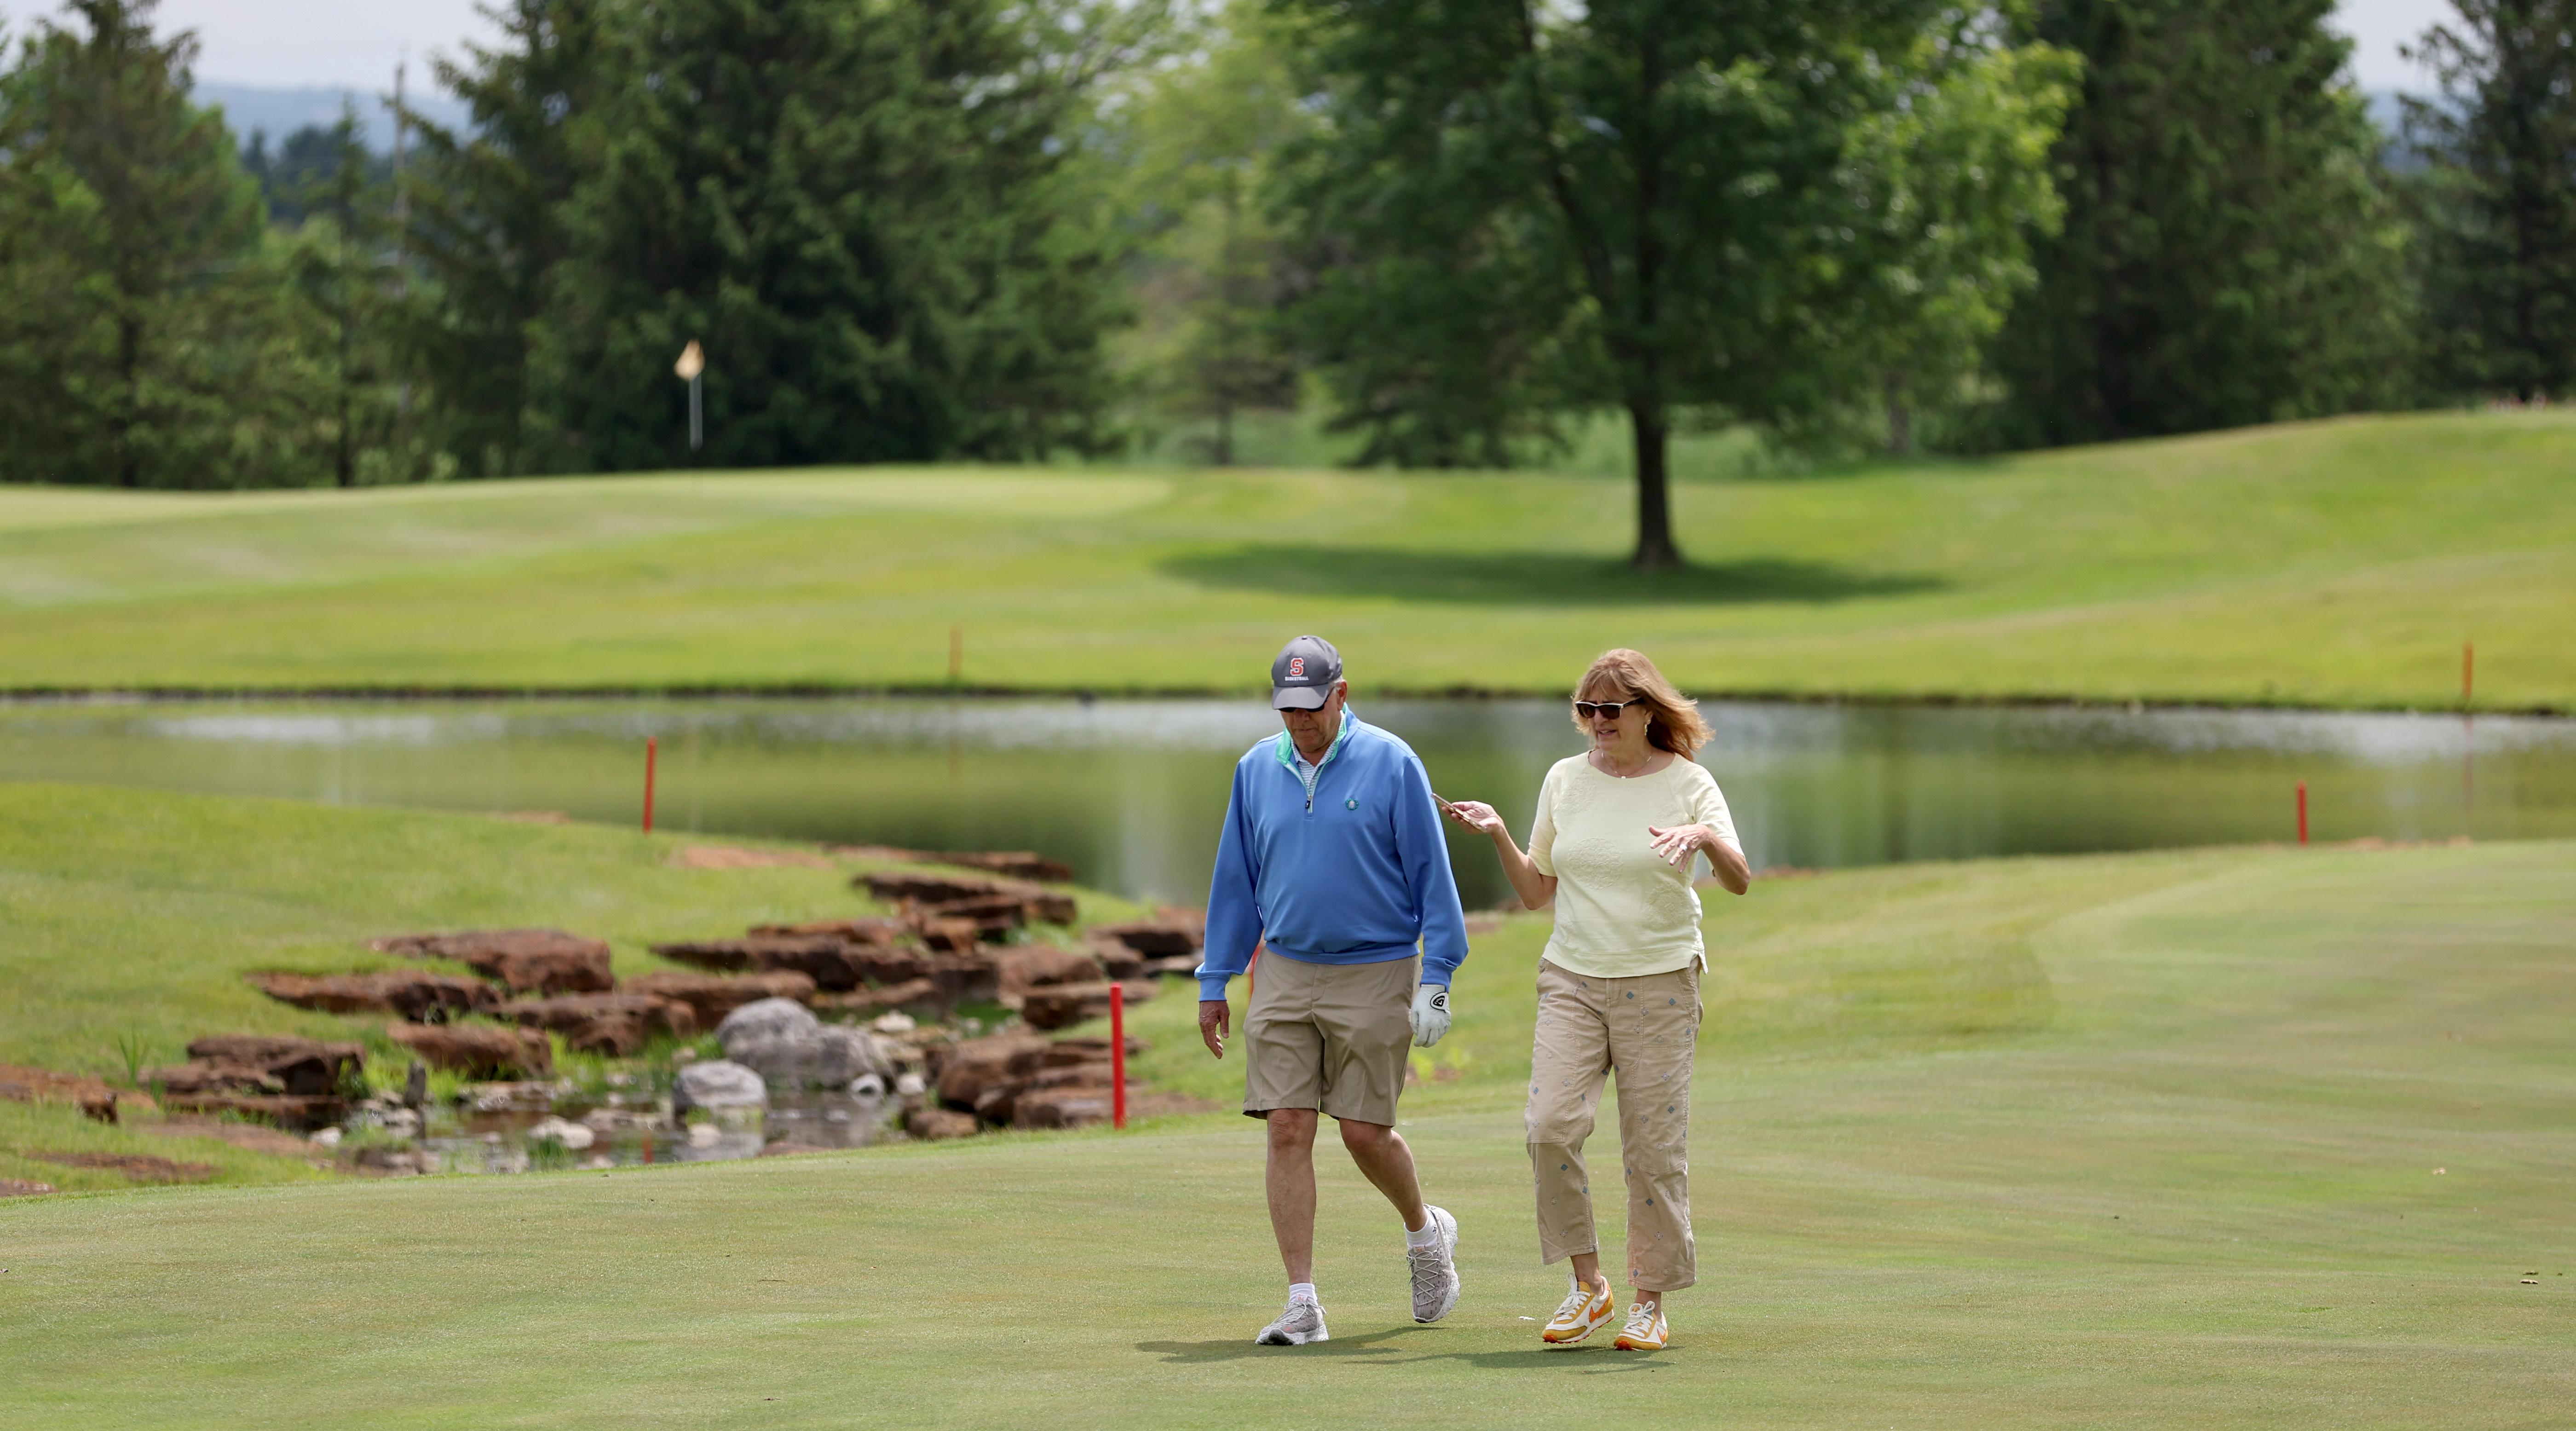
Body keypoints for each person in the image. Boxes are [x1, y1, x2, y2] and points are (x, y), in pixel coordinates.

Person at [1440, 647, 1749, 1351]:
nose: (1599, 722)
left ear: (1647, 711)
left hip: (1662, 979)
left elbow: (1739, 879)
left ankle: (1651, 1301)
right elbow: (1536, 891)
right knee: (1548, 1127)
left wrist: (1704, 835)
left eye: (1612, 709)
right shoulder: (1563, 780)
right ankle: (1590, 1287)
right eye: (1587, 709)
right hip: (1572, 978)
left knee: (1652, 1150)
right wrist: (1498, 837)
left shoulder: (1691, 783)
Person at [1199, 634, 1472, 1346]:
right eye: (1288, 709)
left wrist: (1437, 976)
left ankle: (1425, 1234)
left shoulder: (1392, 762)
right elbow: (1235, 882)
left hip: (1378, 966)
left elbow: (1432, 878)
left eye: (1312, 708)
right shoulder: (1257, 768)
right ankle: (1302, 1302)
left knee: (1362, 1131)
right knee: (1288, 1124)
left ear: (1341, 695)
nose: (1300, 722)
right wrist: (1214, 978)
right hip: (1284, 968)